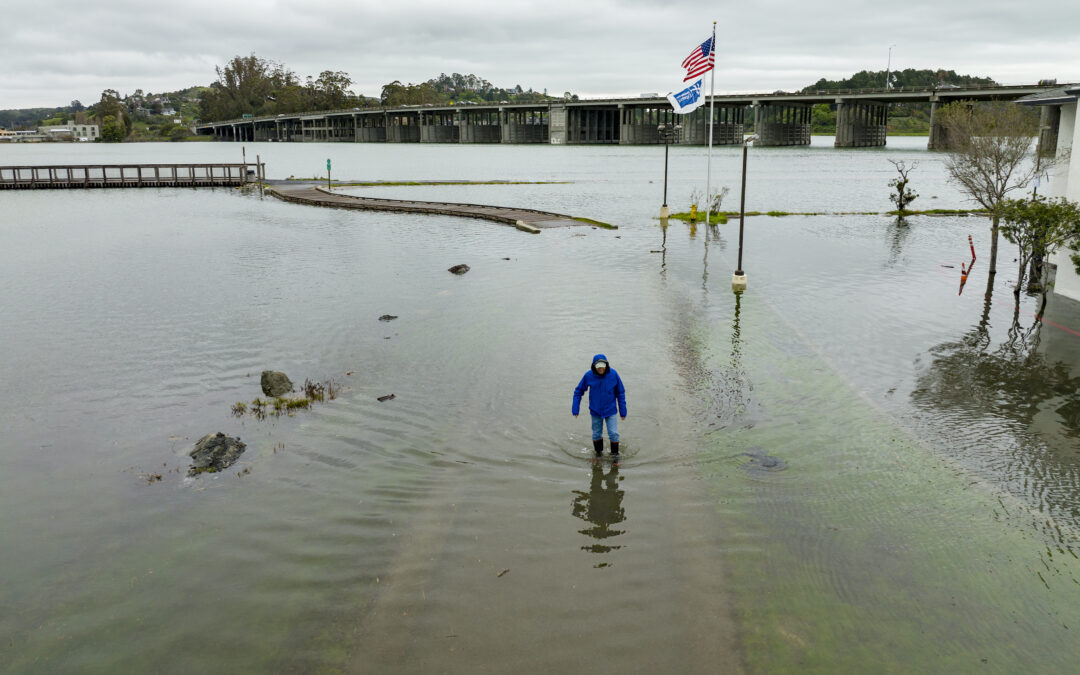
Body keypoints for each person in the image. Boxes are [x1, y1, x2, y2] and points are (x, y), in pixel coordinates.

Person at [572, 354, 628, 458]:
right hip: (595, 411)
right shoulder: (588, 376)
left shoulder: (614, 374)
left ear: (606, 365)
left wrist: (623, 411)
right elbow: (578, 392)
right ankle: (598, 455)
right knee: (596, 434)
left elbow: (620, 393)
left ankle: (615, 456)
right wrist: (575, 409)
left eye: (603, 365)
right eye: (598, 366)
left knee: (613, 433)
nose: (601, 368)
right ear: (594, 366)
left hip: (610, 410)